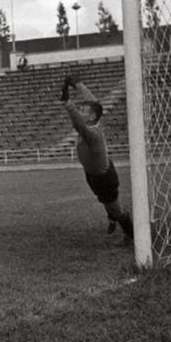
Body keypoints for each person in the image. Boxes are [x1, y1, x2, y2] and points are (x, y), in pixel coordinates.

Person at [61, 73, 134, 245]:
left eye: (83, 111)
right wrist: (77, 84)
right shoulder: (94, 120)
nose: (80, 111)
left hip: (104, 178)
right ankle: (112, 217)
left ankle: (131, 235)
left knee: (117, 210)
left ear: (92, 117)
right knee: (105, 202)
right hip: (92, 175)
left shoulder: (92, 133)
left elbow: (78, 123)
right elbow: (93, 102)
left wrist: (68, 104)